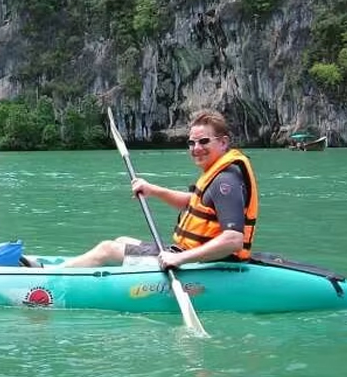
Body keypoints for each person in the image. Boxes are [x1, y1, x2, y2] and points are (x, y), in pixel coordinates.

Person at [61, 109, 258, 269]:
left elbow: (233, 240)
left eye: (204, 141)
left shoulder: (226, 182)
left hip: (208, 265)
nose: (196, 148)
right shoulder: (216, 174)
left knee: (106, 249)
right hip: (186, 254)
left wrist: (179, 259)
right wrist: (153, 190)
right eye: (191, 142)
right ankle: (68, 269)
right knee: (121, 240)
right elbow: (194, 202)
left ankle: (50, 276)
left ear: (223, 143)